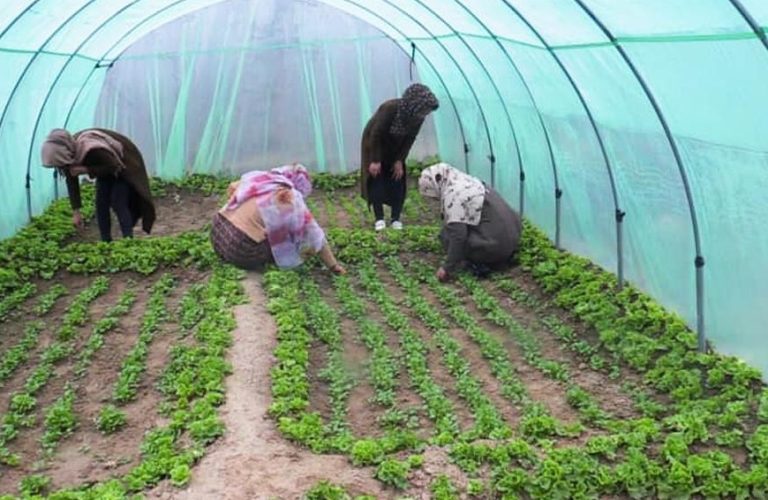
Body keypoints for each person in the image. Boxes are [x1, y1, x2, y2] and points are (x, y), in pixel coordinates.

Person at [211, 163, 346, 274]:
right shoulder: (288, 196)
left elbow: (233, 187)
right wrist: (333, 266)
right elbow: (313, 234)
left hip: (217, 234)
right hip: (240, 250)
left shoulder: (261, 177)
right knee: (284, 243)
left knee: (269, 229)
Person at [41, 128, 156, 242]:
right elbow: (72, 181)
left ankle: (128, 240)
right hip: (102, 167)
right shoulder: (68, 154)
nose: (60, 168)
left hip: (123, 165)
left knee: (118, 201)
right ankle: (106, 241)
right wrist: (76, 212)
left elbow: (114, 166)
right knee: (101, 204)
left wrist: (85, 169)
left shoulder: (92, 149)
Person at [418, 163, 522, 281]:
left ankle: (482, 263)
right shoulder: (467, 181)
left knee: (447, 235)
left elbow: (458, 237)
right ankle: (499, 256)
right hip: (513, 237)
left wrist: (447, 268)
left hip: (497, 247)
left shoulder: (453, 195)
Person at [360, 83, 439, 231]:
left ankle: (396, 218)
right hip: (375, 144)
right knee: (376, 178)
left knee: (397, 178)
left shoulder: (418, 117)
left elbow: (410, 138)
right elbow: (376, 134)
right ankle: (379, 219)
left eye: (427, 112)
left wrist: (399, 160)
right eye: (424, 110)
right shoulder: (390, 109)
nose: (425, 114)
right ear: (414, 104)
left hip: (397, 147)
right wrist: (375, 160)